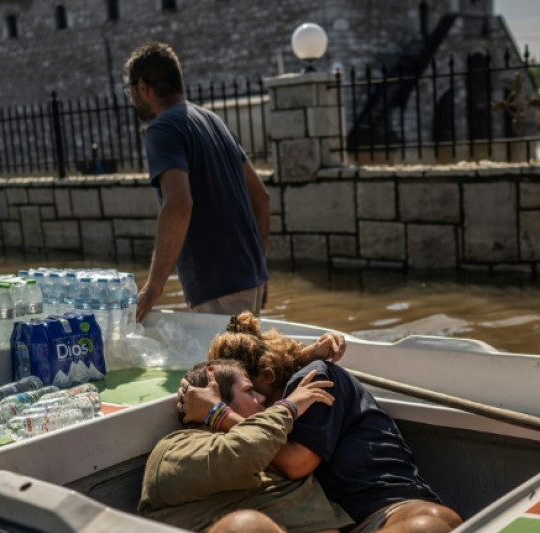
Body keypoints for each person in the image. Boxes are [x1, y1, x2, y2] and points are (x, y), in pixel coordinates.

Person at [182, 313, 463, 533]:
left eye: (250, 388)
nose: (255, 400)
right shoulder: (265, 414)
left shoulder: (314, 379)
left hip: (388, 511)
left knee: (436, 524)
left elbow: (296, 463)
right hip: (342, 523)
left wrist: (219, 414)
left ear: (267, 375)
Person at [123, 42, 270, 323]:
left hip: (218, 286)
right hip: (250, 280)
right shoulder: (213, 121)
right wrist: (259, 269)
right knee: (244, 365)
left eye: (129, 90)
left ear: (143, 87)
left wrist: (153, 289)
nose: (130, 98)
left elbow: (178, 204)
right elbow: (261, 198)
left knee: (225, 367)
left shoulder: (161, 130)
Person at [138, 359, 353, 533]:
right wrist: (287, 407)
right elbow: (241, 453)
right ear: (218, 399)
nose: (262, 399)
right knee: (247, 525)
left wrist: (304, 355)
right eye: (249, 391)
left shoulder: (271, 446)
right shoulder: (174, 449)